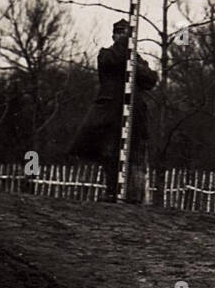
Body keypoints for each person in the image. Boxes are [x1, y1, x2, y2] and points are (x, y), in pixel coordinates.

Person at [68, 18, 158, 203]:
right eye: (120, 33)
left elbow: (150, 79)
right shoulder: (106, 54)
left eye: (126, 34)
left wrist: (135, 65)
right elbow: (113, 61)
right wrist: (126, 44)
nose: (123, 37)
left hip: (134, 114)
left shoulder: (137, 60)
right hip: (109, 113)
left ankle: (133, 196)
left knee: (133, 154)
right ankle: (111, 192)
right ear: (114, 35)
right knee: (110, 152)